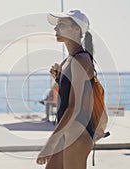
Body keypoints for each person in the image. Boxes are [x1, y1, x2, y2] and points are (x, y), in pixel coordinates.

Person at [36, 10, 96, 169]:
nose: (56, 29)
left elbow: (73, 107)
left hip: (77, 134)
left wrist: (50, 144)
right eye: (56, 26)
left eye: (61, 25)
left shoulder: (81, 59)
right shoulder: (69, 60)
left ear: (77, 29)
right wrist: (58, 79)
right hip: (67, 132)